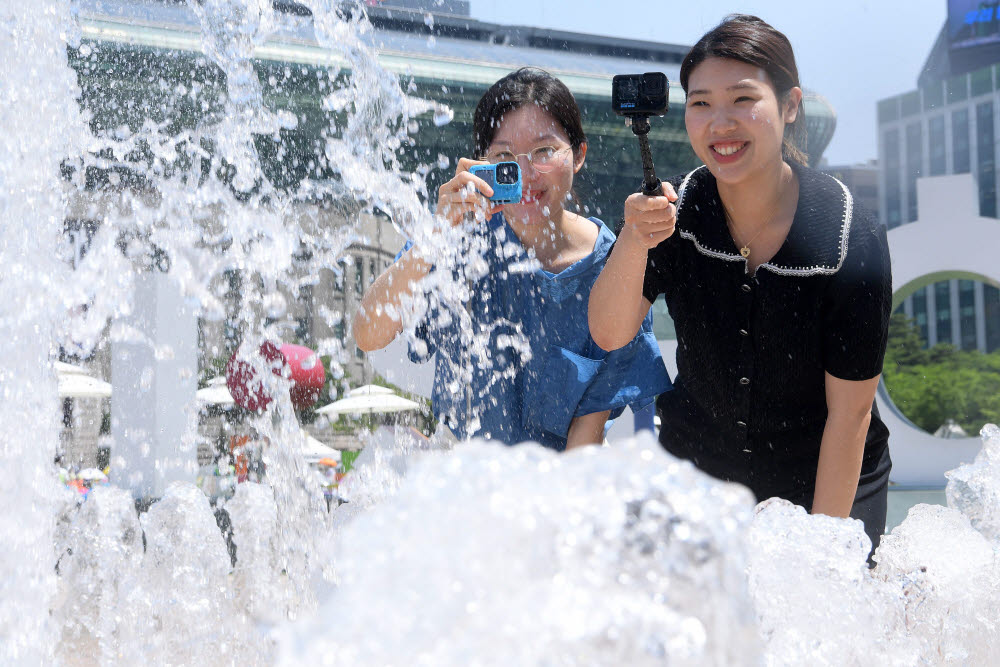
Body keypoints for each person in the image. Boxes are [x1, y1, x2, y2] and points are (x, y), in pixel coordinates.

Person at [588, 15, 892, 552]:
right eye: (701, 103)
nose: (720, 124)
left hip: (825, 473)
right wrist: (635, 239)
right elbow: (610, 333)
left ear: (790, 105)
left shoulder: (847, 234)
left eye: (742, 99)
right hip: (700, 470)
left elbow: (850, 416)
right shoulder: (672, 213)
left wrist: (817, 554)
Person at [354, 67, 671, 451]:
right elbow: (368, 332)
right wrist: (434, 234)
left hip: (557, 487)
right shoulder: (456, 241)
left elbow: (584, 441)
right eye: (504, 156)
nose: (524, 173)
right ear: (482, 163)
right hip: (461, 476)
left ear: (579, 155)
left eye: (543, 151)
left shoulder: (614, 267)